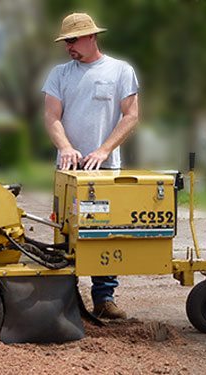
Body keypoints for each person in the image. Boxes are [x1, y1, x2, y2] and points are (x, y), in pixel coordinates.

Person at [42, 12, 139, 319]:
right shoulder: (59, 74)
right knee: (66, 233)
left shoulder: (120, 71)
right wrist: (67, 147)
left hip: (105, 170)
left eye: (73, 40)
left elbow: (131, 115)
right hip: (69, 172)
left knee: (103, 232)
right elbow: (52, 117)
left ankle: (104, 298)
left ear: (91, 37)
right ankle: (66, 299)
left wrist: (103, 150)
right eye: (65, 41)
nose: (68, 46)